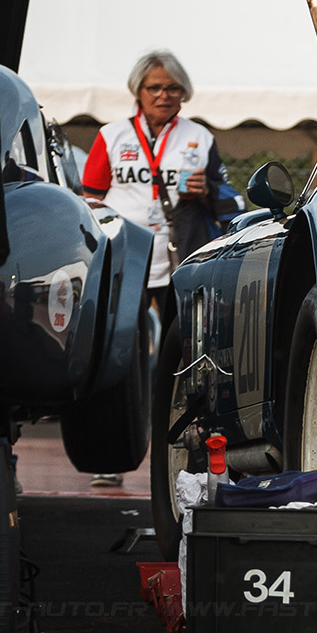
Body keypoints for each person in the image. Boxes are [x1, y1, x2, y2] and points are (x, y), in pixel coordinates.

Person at [80, 51, 226, 485]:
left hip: (180, 260)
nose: (164, 95)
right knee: (117, 357)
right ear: (138, 93)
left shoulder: (198, 136)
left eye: (172, 88)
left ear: (184, 93)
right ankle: (110, 455)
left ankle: (188, 460)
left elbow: (229, 198)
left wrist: (207, 191)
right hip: (126, 261)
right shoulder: (112, 135)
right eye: (154, 88)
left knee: (186, 359)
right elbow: (89, 197)